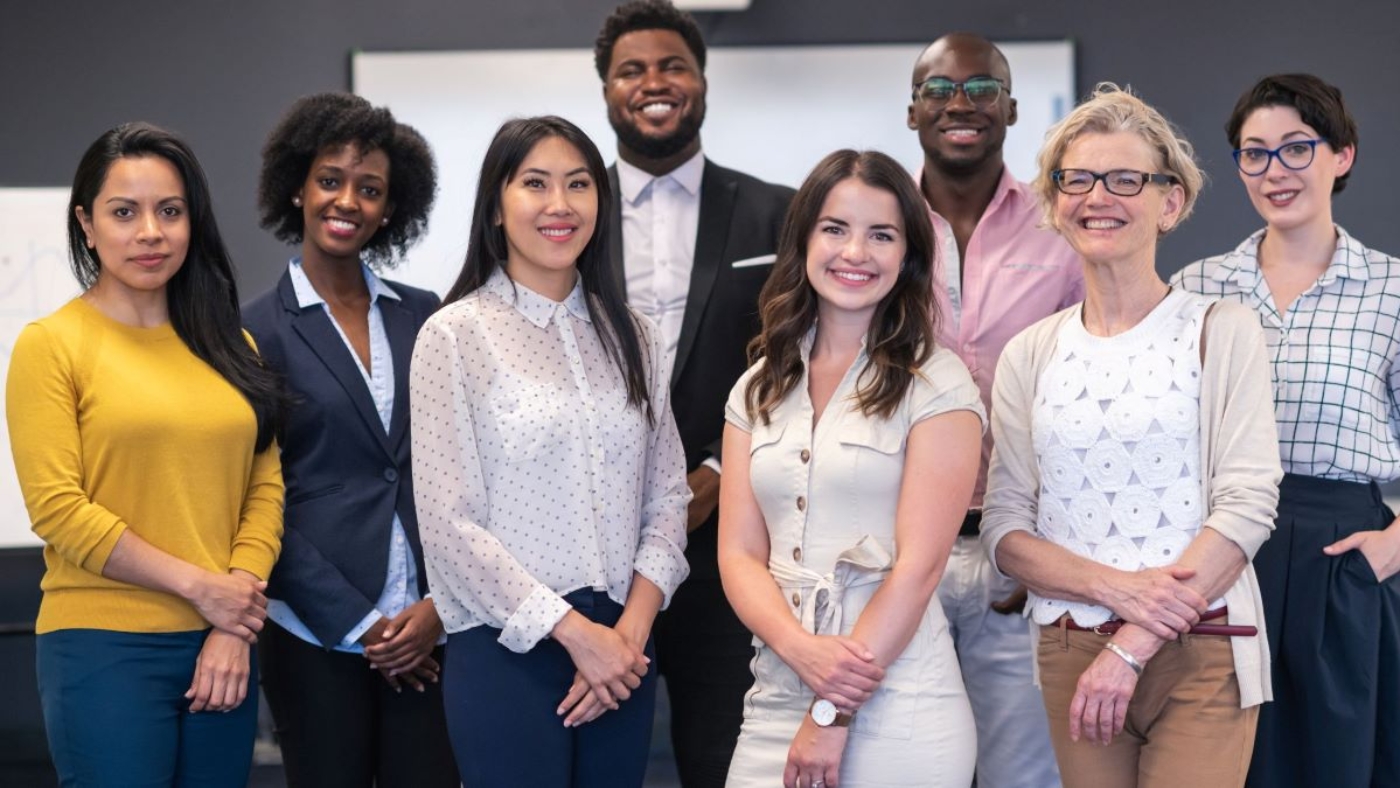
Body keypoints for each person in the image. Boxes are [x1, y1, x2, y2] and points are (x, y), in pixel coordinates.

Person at [982, 84, 1282, 788]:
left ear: (1169, 202)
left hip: (1203, 643)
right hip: (1068, 647)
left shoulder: (1221, 329)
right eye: (1076, 180)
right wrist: (1117, 591)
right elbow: (1005, 530)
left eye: (1125, 180)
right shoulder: (1029, 353)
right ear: (1055, 205)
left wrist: (1134, 642)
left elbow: (1246, 504)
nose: (1098, 198)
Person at [410, 115, 691, 787]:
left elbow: (668, 495)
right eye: (535, 184)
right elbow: (450, 526)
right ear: (497, 206)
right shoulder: (454, 336)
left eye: (578, 184)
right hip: (508, 647)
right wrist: (575, 635)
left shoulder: (638, 338)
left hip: (625, 646)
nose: (559, 205)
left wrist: (627, 636)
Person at [6, 122, 285, 787]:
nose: (150, 232)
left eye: (170, 211)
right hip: (102, 647)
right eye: (124, 213)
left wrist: (231, 624)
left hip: (223, 646)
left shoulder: (232, 347)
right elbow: (58, 510)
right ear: (87, 223)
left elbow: (264, 489)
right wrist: (203, 590)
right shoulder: (51, 346)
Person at [720, 149, 984, 788]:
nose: (855, 252)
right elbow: (737, 555)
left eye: (881, 235)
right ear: (804, 239)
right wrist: (801, 651)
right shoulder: (758, 387)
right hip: (777, 690)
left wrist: (831, 711)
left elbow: (918, 570)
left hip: (902, 703)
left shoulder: (939, 384)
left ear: (908, 254)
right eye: (835, 228)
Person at [1172, 74, 1400, 788]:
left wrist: (1391, 549)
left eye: (1298, 148)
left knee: (1338, 765)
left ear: (1343, 156)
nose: (1276, 171)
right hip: (1222, 554)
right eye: (1255, 153)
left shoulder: (1392, 291)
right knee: (1229, 765)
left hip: (1343, 555)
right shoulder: (1198, 287)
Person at [593, 5, 797, 783]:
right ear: (608, 89)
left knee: (724, 759)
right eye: (632, 69)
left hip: (732, 547)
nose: (654, 83)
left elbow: (798, 360)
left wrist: (717, 469)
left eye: (671, 66)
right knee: (597, 756)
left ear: (702, 82)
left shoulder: (777, 212)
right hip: (596, 547)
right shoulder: (565, 217)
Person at [241, 92, 458, 788]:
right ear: (298, 188)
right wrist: (361, 624)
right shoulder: (253, 330)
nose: (347, 201)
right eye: (330, 180)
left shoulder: (426, 316)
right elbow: (256, 496)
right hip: (315, 632)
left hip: (429, 628)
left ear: (391, 209)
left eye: (370, 189)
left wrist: (438, 607)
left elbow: (455, 473)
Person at [906, 32, 1083, 788]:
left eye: (983, 90)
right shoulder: (878, 228)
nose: (961, 104)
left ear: (1011, 109)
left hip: (1022, 557)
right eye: (941, 88)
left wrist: (1046, 543)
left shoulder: (1066, 228)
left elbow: (1087, 394)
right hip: (898, 554)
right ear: (913, 109)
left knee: (1025, 776)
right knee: (903, 768)